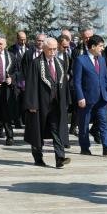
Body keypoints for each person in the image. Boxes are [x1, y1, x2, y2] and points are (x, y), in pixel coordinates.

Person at [23, 38, 71, 168]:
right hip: (40, 104)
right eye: (50, 49)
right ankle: (38, 158)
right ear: (44, 49)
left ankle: (60, 158)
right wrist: (31, 104)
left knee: (57, 130)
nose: (53, 51)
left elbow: (64, 84)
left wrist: (66, 100)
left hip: (56, 104)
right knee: (37, 131)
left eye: (55, 48)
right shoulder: (36, 63)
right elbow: (31, 84)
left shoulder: (60, 62)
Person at [72, 35, 107, 156]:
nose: (102, 49)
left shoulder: (101, 59)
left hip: (102, 98)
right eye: (100, 46)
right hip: (87, 98)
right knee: (84, 124)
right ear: (93, 46)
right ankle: (85, 147)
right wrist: (80, 97)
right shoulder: (81, 60)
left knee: (103, 123)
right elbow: (77, 81)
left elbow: (106, 78)